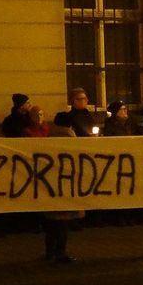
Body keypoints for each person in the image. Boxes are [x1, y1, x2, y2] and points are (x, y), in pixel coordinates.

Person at [42, 112, 83, 263]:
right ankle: (60, 253)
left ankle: (49, 252)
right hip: (66, 186)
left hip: (51, 186)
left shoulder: (49, 138)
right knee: (63, 224)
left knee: (52, 224)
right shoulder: (70, 139)